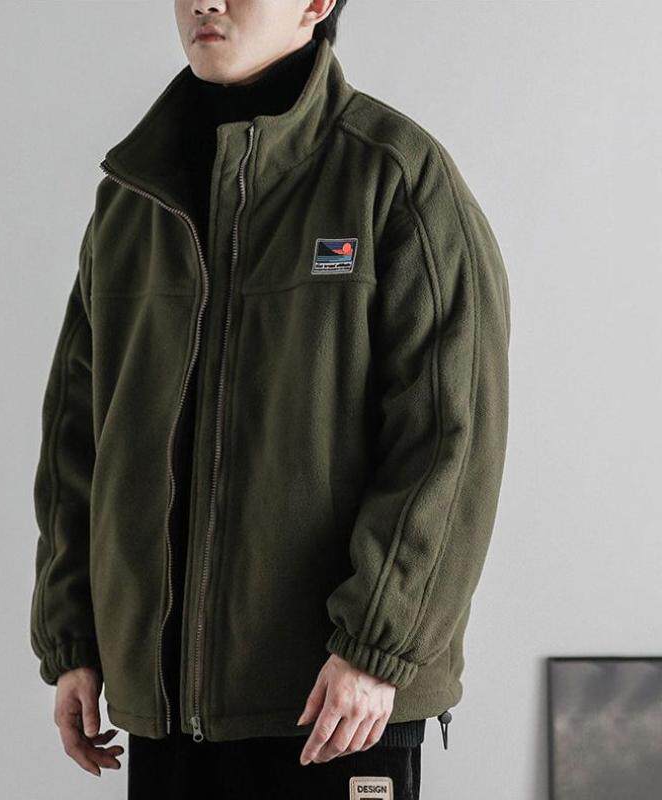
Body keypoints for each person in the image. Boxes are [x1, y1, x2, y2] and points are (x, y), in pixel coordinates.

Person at [29, 2, 511, 798]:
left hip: (334, 706)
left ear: (317, 3)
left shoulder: (393, 176)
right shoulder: (132, 197)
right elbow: (77, 439)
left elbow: (451, 438)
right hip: (167, 710)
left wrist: (375, 646)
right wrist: (73, 637)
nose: (205, 2)